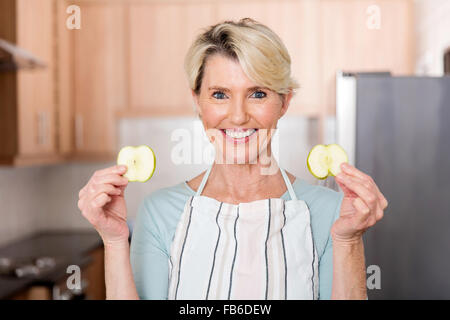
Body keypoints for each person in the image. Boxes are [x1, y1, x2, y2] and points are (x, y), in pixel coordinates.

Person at [77, 18, 388, 300]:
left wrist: (348, 242)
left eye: (257, 94)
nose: (238, 117)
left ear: (284, 102)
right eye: (220, 95)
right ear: (197, 102)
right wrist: (115, 241)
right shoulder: (159, 212)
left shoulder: (331, 212)